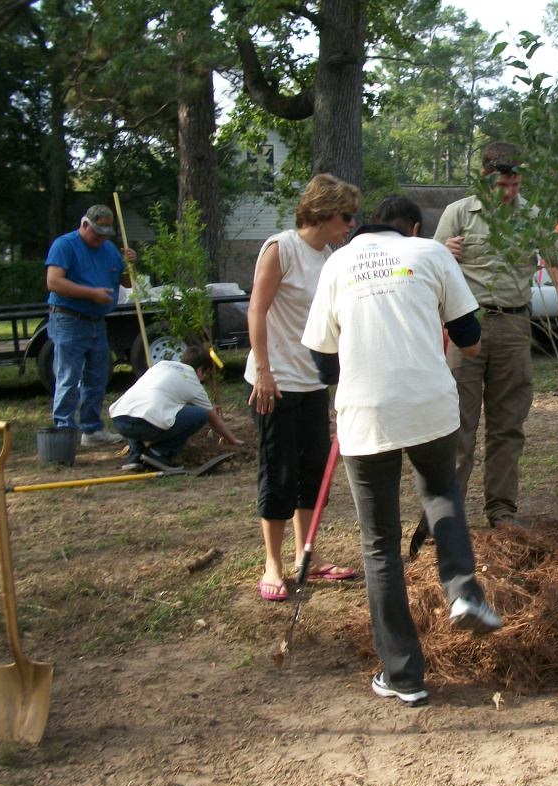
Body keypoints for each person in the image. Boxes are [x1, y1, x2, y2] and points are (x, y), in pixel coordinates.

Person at [302, 195, 502, 708]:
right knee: (441, 494)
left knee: (379, 545)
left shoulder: (337, 263)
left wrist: (348, 377)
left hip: (365, 412)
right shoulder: (431, 253)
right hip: (429, 403)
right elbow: (470, 335)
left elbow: (320, 355)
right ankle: (463, 592)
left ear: (358, 230)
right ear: (410, 229)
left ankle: (403, 676)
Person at [435, 142, 558, 528]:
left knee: (508, 425)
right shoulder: (458, 214)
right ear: (485, 179)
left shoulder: (533, 216)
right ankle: (449, 513)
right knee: (458, 425)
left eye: (516, 185)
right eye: (503, 185)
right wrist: (441, 250)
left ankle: (501, 511)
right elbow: (429, 266)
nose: (510, 193)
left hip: (513, 325)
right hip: (465, 325)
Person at [247, 174, 359, 602]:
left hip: (312, 382)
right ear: (322, 212)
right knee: (279, 473)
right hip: (275, 383)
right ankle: (272, 564)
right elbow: (256, 310)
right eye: (345, 216)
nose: (350, 224)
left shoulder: (329, 255)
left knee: (313, 471)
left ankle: (304, 559)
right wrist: (263, 370)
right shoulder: (281, 248)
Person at [44, 204, 138, 446]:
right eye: (97, 233)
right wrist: (90, 293)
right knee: (69, 376)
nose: (101, 239)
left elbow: (127, 283)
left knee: (97, 377)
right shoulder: (65, 245)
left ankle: (92, 430)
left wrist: (130, 264)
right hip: (68, 319)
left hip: (97, 322)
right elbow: (54, 282)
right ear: (84, 224)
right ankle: (64, 431)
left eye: (105, 234)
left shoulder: (108, 250)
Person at [109, 343, 243, 470]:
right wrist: (233, 440)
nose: (204, 379)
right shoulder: (193, 381)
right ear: (201, 370)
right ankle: (157, 453)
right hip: (145, 424)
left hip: (119, 419)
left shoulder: (161, 365)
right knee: (201, 414)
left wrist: (186, 438)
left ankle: (135, 457)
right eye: (206, 374)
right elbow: (214, 421)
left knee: (140, 408)